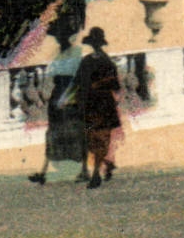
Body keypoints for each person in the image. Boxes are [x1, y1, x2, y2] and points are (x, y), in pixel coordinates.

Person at [28, 25, 88, 185]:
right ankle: (43, 172)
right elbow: (52, 76)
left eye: (62, 36)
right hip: (57, 93)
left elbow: (79, 79)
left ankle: (84, 170)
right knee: (53, 132)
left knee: (77, 132)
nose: (59, 39)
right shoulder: (56, 54)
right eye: (58, 37)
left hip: (72, 95)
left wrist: (67, 98)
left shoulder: (77, 53)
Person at [76, 26, 122, 189]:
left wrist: (96, 85)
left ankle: (96, 174)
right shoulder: (93, 61)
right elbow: (78, 82)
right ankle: (106, 163)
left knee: (99, 139)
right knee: (93, 140)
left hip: (98, 104)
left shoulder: (99, 61)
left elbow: (115, 83)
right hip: (96, 104)